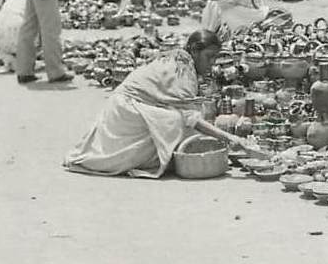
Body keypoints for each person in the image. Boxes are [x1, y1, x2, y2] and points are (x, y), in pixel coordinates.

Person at [63, 30, 223, 178]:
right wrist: (230, 139)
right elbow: (190, 117)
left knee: (180, 121)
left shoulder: (179, 59)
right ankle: (150, 158)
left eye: (215, 57)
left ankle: (161, 154)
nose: (213, 63)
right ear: (195, 50)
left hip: (121, 108)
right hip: (125, 113)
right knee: (175, 122)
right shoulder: (183, 70)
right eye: (209, 56)